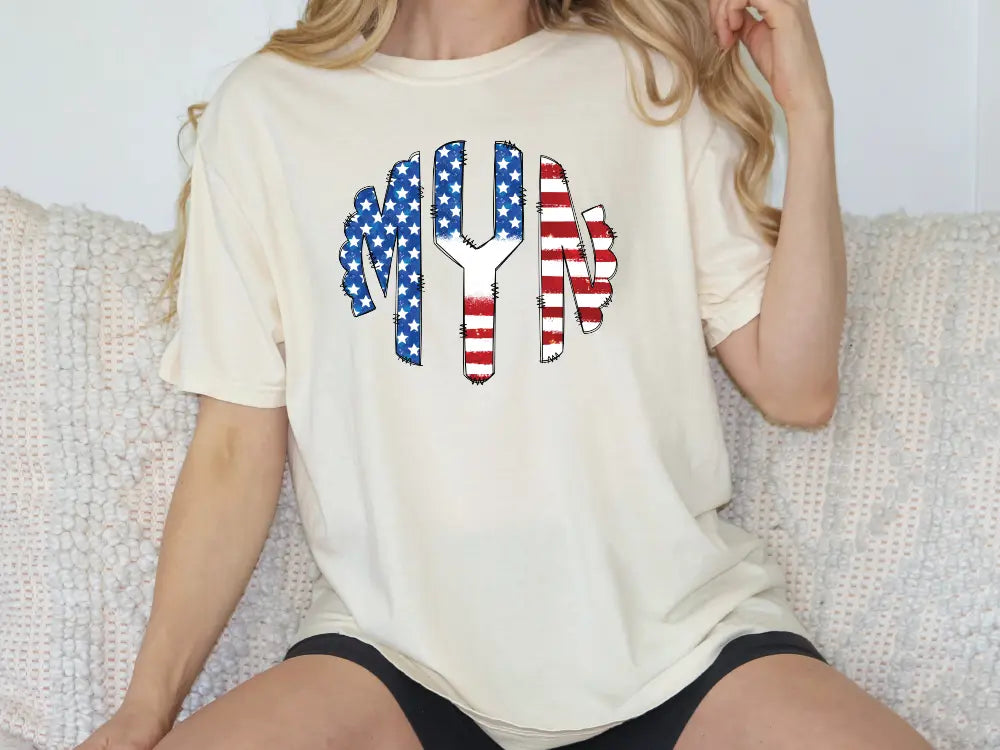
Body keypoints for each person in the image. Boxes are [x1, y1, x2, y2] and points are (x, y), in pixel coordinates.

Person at [78, 1, 933, 748]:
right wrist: (144, 711)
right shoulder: (269, 113)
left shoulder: (649, 84)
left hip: (680, 650)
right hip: (397, 659)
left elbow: (798, 387)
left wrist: (808, 110)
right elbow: (233, 447)